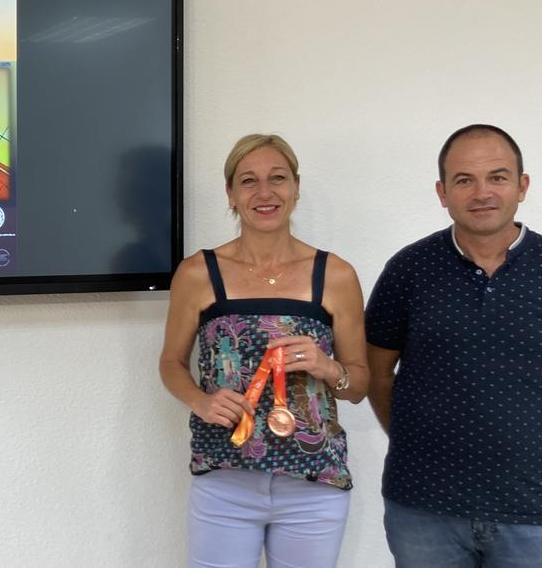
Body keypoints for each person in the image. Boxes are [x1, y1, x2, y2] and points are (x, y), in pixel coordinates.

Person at [158, 134, 369, 567]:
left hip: (314, 483)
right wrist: (200, 399)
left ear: (295, 187)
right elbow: (171, 362)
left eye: (277, 179)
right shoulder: (198, 273)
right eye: (248, 181)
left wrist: (329, 368)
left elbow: (359, 384)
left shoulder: (336, 275)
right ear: (231, 194)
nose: (265, 192)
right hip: (224, 479)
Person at [367, 124, 541, 566]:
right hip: (423, 510)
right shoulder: (409, 270)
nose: (482, 192)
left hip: (532, 513)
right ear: (442, 192)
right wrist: (415, 437)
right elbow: (376, 370)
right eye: (464, 180)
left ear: (522, 186)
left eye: (498, 177)